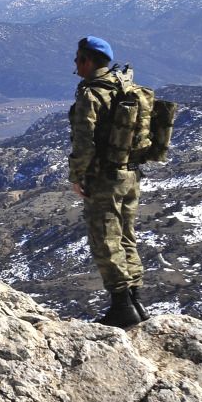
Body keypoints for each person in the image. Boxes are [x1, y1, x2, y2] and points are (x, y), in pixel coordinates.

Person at [69, 35, 145, 328]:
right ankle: (135, 300)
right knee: (126, 235)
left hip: (104, 179)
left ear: (88, 61)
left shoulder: (92, 94)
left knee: (105, 239)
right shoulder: (124, 87)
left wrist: (77, 176)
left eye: (78, 59)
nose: (75, 64)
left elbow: (84, 143)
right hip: (130, 174)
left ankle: (121, 306)